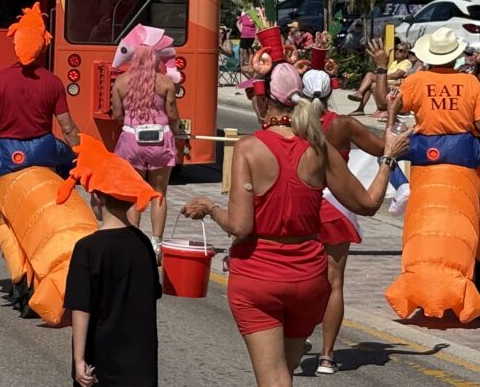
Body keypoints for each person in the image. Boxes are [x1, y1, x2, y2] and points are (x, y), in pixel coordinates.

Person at [181, 61, 410, 387]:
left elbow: (240, 227)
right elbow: (369, 203)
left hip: (258, 275)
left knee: (273, 378)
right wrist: (387, 157)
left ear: (264, 101)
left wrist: (210, 207)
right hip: (308, 278)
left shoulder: (249, 147)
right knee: (283, 374)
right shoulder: (319, 148)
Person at [303, 48, 389, 376]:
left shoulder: (294, 123)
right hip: (337, 204)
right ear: (331, 93)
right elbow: (384, 148)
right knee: (334, 283)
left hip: (303, 202)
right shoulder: (343, 124)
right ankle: (327, 356)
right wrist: (391, 116)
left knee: (298, 276)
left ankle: (296, 339)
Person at [0, 2, 81, 234]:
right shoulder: (53, 82)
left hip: (8, 152)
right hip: (44, 148)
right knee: (68, 161)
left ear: (15, 42)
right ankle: (61, 192)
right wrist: (81, 160)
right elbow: (68, 128)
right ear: (43, 45)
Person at [62, 136, 163, 387]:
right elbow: (153, 292)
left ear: (98, 198)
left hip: (101, 365)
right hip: (141, 366)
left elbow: (81, 308)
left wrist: (79, 359)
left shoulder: (88, 248)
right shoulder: (143, 244)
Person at [110, 44, 180, 254]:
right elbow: (172, 114)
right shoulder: (165, 82)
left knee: (133, 193)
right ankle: (156, 243)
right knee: (159, 192)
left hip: (132, 140)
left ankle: (133, 240)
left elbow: (117, 114)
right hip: (160, 140)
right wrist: (176, 130)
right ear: (155, 60)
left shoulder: (121, 82)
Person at [396, 27, 480, 138]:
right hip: (461, 144)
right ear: (456, 56)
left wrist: (381, 68)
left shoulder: (415, 80)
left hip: (426, 143)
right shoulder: (471, 81)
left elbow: (393, 107)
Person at [348, 40, 412, 118]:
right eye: (397, 49)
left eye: (401, 51)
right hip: (388, 83)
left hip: (394, 85)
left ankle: (360, 94)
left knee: (370, 75)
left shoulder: (406, 62)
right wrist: (381, 75)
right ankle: (360, 108)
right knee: (370, 84)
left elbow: (396, 75)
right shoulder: (395, 62)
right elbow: (388, 73)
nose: (397, 52)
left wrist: (381, 77)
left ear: (406, 54)